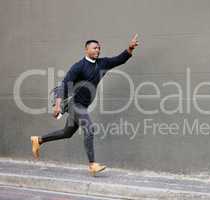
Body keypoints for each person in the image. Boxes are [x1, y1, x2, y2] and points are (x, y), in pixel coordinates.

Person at [30, 34, 139, 176]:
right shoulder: (79, 66)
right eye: (94, 48)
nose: (97, 50)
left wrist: (130, 48)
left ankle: (38, 140)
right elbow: (64, 84)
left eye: (99, 48)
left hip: (83, 106)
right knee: (89, 128)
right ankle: (92, 164)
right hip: (75, 104)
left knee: (66, 133)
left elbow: (120, 59)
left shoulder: (102, 64)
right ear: (86, 50)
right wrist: (57, 105)